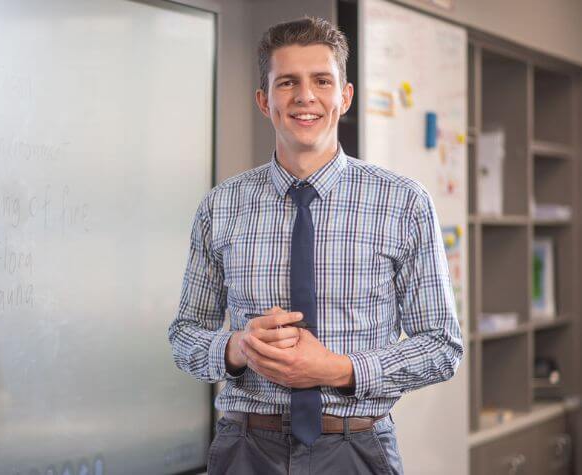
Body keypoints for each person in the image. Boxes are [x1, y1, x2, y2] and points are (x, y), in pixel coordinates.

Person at [168, 16, 463, 474]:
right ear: (264, 102)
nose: (305, 96)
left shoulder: (404, 203)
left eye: (321, 80)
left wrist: (338, 369)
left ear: (343, 97)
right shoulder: (220, 206)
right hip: (245, 447)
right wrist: (237, 349)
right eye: (287, 82)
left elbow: (443, 346)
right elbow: (184, 334)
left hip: (356, 447)